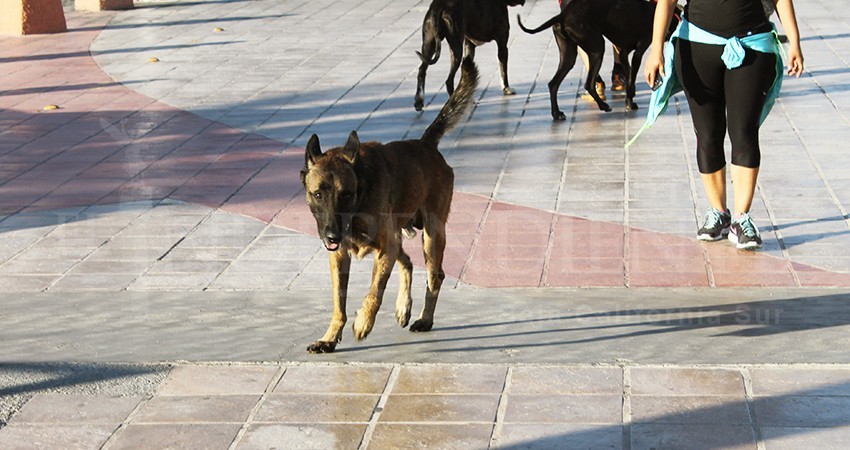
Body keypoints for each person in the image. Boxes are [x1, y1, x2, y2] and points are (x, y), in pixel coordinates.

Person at [643, 0, 804, 250]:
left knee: (744, 132)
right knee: (707, 134)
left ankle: (742, 218)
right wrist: (656, 51)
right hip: (696, 46)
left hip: (753, 46)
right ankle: (718, 212)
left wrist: (795, 41)